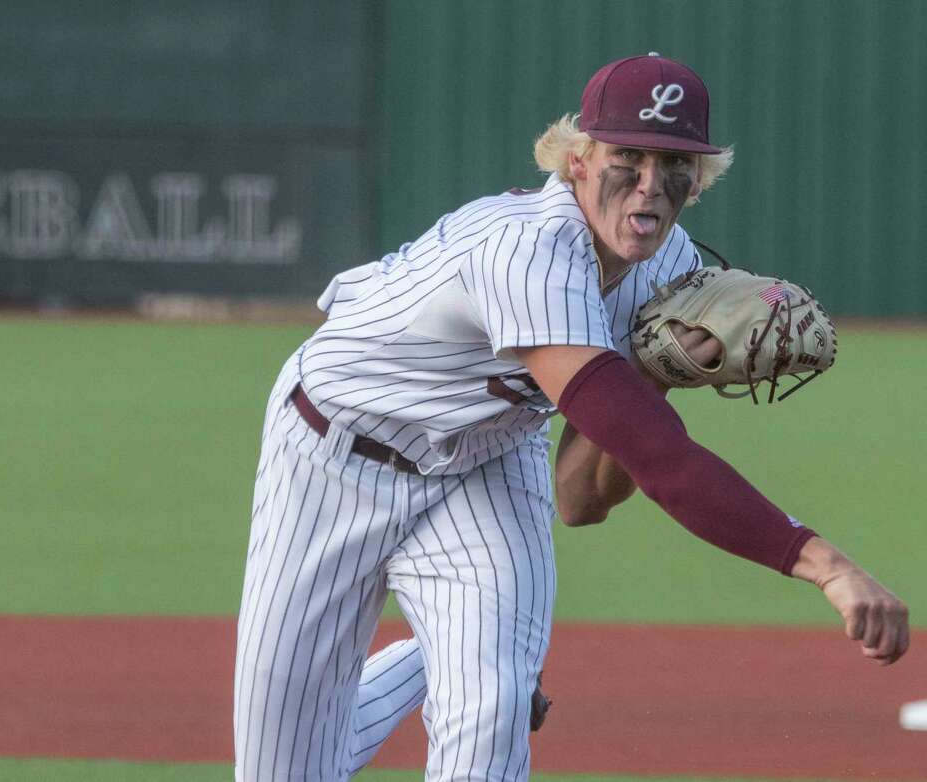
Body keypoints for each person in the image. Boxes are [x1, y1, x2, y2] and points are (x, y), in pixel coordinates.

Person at [233, 53, 909, 782]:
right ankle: (441, 652)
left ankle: (478, 652)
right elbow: (659, 459)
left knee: (489, 720)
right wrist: (823, 564)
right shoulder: (528, 250)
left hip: (487, 463)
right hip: (331, 454)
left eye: (675, 161)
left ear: (699, 176)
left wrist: (651, 373)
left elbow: (579, 498)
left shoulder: (667, 264)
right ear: (579, 160)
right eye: (628, 156)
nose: (651, 184)